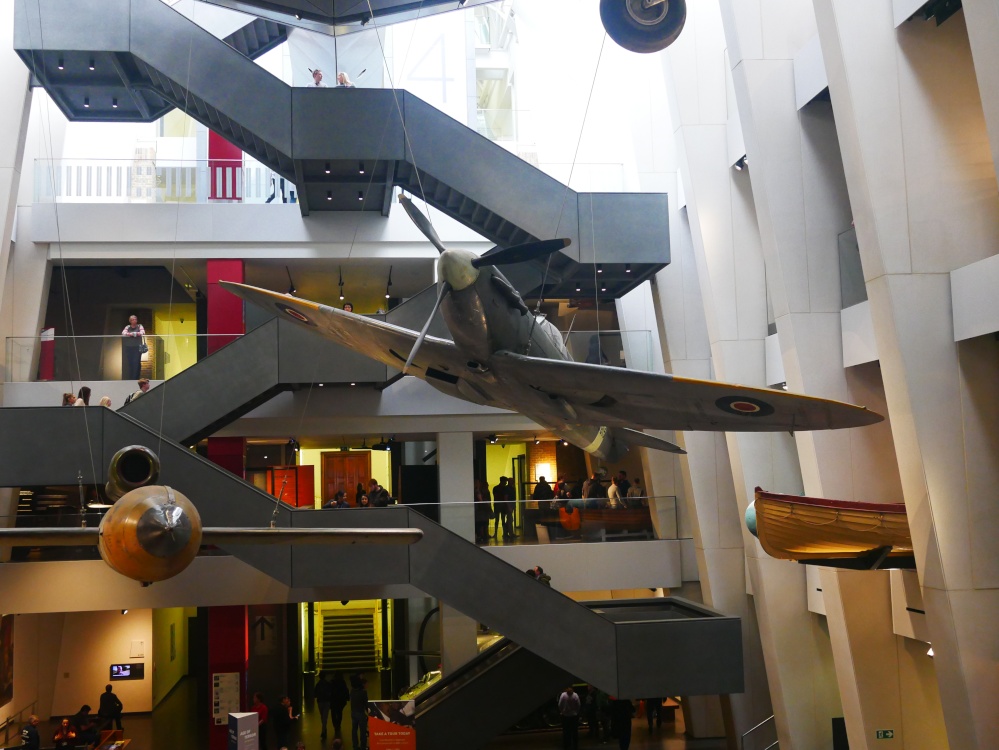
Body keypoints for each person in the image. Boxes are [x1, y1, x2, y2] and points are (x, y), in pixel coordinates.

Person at [121, 314, 145, 380]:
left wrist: (134, 334)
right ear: (130, 321)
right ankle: (131, 377)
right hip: (129, 346)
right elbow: (123, 333)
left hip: (137, 347)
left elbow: (142, 332)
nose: (134, 321)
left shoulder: (140, 326)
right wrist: (132, 334)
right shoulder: (127, 327)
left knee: (136, 362)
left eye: (135, 319)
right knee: (130, 362)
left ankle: (136, 377)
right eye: (133, 319)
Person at [557, 685, 581, 750]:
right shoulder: (575, 695)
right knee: (574, 732)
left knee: (566, 732)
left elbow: (560, 705)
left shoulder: (563, 695)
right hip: (573, 716)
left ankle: (567, 745)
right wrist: (576, 712)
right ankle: (575, 746)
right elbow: (578, 705)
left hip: (566, 716)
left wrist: (562, 711)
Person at [349, 673, 368, 750]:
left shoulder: (352, 692)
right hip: (361, 713)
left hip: (353, 712)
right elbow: (366, 704)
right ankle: (363, 746)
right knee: (362, 731)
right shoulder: (363, 692)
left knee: (354, 730)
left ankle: (355, 745)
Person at [329, 671, 350, 740]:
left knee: (333, 713)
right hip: (340, 700)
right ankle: (338, 724)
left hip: (333, 700)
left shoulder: (332, 682)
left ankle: (335, 725)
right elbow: (345, 690)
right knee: (339, 712)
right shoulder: (342, 682)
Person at [315, 671, 333, 740]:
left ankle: (324, 730)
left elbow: (315, 694)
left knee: (322, 716)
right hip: (327, 701)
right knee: (325, 717)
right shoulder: (328, 684)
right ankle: (324, 729)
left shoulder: (318, 684)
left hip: (320, 701)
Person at [474, 479, 491, 544]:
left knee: (483, 523)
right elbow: (480, 500)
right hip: (480, 508)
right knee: (481, 523)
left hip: (481, 509)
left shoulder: (481, 490)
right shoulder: (477, 491)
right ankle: (481, 536)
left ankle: (483, 536)